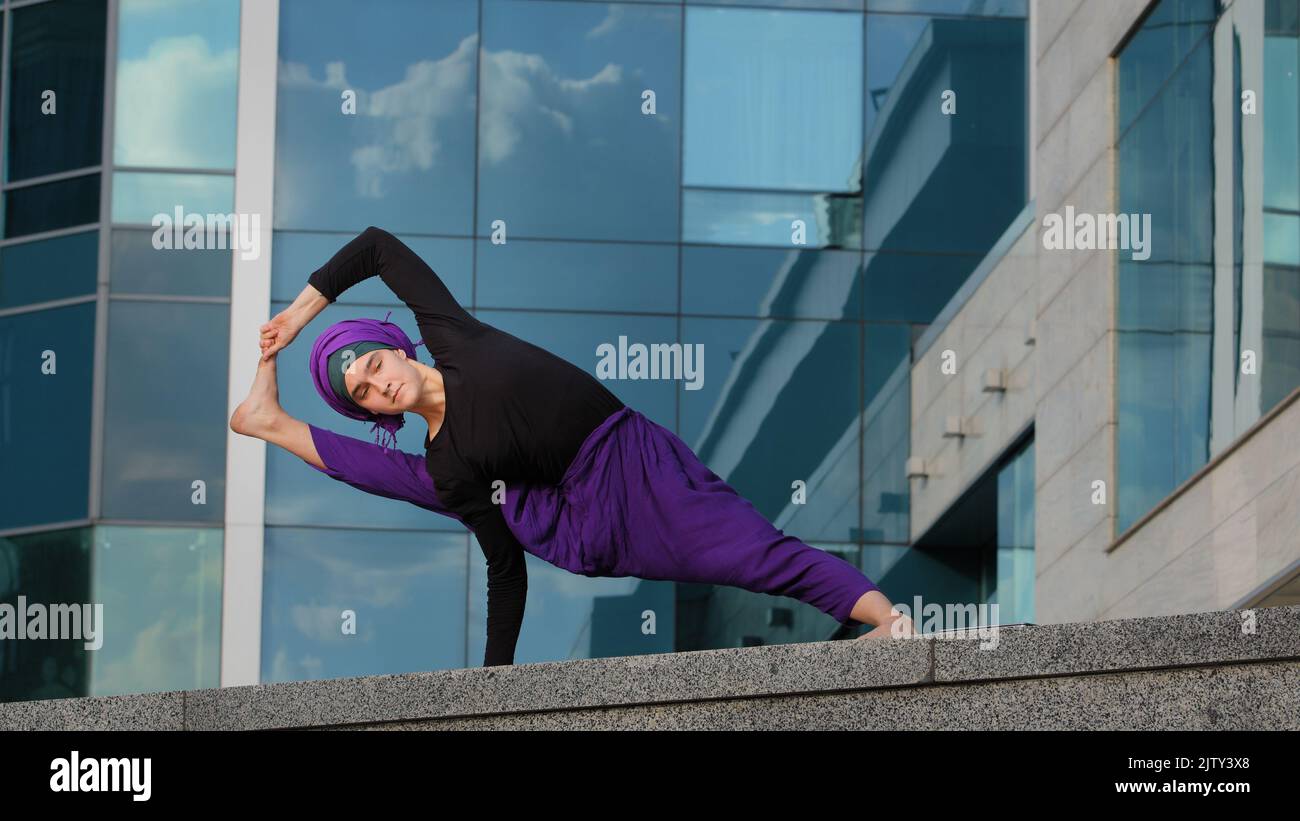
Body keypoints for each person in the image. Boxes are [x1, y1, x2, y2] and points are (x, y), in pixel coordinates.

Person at [242, 226, 915, 666]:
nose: (376, 384)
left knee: (750, 550)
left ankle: (885, 618)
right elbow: (504, 570)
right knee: (442, 483)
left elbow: (378, 247)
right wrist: (495, 679)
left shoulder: (454, 335)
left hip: (631, 460)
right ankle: (271, 420)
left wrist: (298, 318)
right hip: (576, 523)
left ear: (391, 347)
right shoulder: (451, 459)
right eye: (360, 392)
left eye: (370, 365)